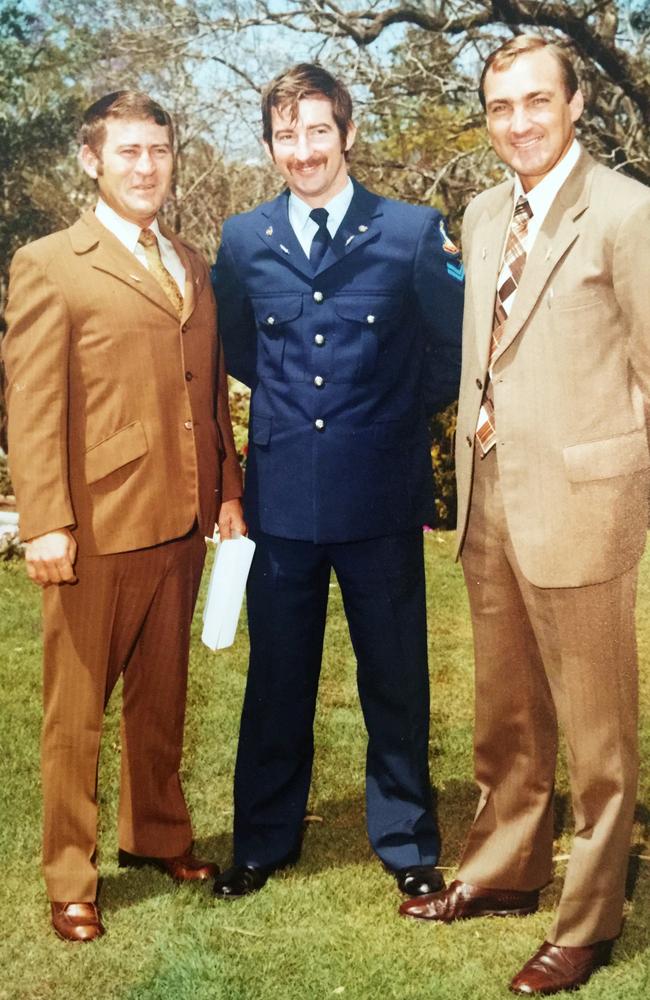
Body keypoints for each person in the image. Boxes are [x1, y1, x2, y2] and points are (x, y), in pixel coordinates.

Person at [400, 34, 650, 995]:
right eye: (501, 107)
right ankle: (504, 869)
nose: (518, 123)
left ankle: (587, 919)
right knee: (505, 708)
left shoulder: (627, 215)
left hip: (585, 499)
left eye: (537, 102)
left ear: (576, 102)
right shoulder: (484, 208)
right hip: (491, 487)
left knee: (599, 734)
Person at [211, 63, 463, 900]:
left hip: (381, 496)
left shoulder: (411, 232)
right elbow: (240, 350)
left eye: (319, 131)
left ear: (348, 135)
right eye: (287, 135)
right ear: (272, 144)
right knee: (279, 678)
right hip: (282, 499)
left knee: (393, 676)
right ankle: (263, 840)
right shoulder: (245, 240)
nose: (304, 150)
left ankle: (404, 839)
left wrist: (384, 417)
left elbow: (449, 351)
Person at [2, 91, 245, 942]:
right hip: (95, 524)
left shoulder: (189, 261)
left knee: (162, 696)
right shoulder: (50, 263)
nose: (148, 167)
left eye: (160, 151)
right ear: (91, 159)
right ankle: (71, 874)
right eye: (130, 152)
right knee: (75, 713)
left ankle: (158, 835)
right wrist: (46, 520)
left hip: (181, 518)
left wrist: (227, 493)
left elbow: (207, 390)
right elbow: (31, 404)